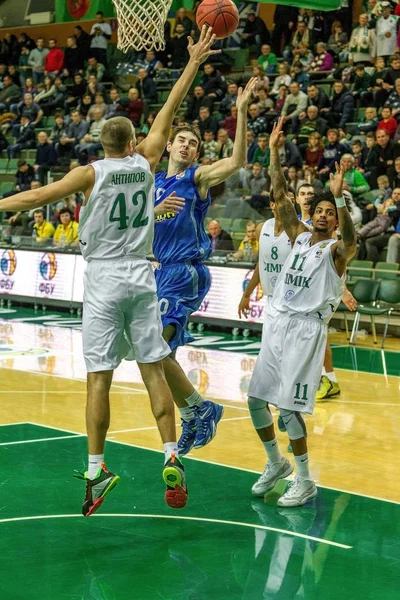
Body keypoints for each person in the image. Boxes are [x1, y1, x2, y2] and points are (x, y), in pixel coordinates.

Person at [0, 26, 220, 517]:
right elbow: (169, 109)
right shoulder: (146, 163)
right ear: (135, 141)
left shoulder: (90, 173)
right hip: (143, 276)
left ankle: (97, 469)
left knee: (98, 378)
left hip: (101, 278)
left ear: (101, 143)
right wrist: (193, 60)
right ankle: (170, 454)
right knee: (151, 371)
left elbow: (35, 197)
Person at [244, 117, 356, 507]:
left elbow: (352, 238)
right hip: (278, 323)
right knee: (256, 399)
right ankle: (276, 463)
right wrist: (273, 152)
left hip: (307, 331)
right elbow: (279, 194)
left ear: (337, 218)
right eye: (320, 209)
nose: (323, 215)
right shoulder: (301, 235)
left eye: (330, 211)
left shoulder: (337, 251)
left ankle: (306, 479)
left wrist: (341, 198)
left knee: (289, 409)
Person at [153, 77, 257, 457]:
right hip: (161, 271)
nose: (187, 144)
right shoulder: (155, 184)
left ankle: (200, 408)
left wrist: (241, 113)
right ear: (169, 145)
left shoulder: (195, 178)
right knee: (164, 357)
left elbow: (236, 161)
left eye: (193, 143)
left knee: (153, 349)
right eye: (182, 139)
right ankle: (195, 413)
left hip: (186, 270)